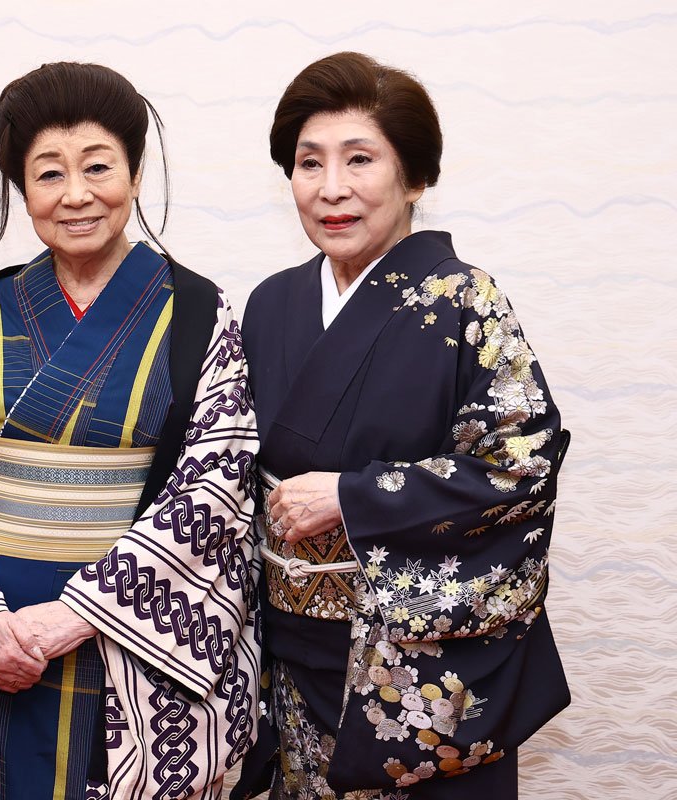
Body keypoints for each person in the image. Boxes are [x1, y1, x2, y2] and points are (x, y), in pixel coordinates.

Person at [0, 62, 260, 800]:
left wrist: (80, 613)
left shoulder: (197, 312)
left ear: (135, 173)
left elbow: (218, 482)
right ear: (23, 190)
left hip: (131, 640)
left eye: (98, 167)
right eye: (49, 173)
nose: (76, 194)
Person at [234, 52, 570, 799]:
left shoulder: (465, 301)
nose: (332, 188)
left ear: (415, 178)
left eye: (360, 159)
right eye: (309, 163)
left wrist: (354, 497)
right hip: (294, 665)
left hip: (417, 676)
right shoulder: (270, 304)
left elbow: (521, 469)